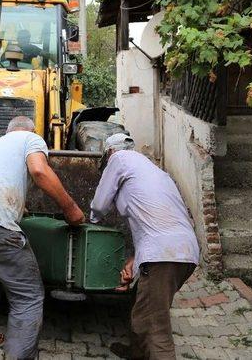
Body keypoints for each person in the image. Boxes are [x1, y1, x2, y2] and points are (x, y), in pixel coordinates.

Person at [0, 116, 85, 359]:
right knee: (28, 296)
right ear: (32, 131)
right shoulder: (31, 138)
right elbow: (38, 170)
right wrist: (71, 208)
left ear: (7, 130)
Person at [90, 133, 200, 360]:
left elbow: (100, 205)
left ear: (110, 152)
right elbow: (153, 222)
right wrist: (134, 260)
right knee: (143, 313)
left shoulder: (119, 158)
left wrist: (88, 219)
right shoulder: (154, 171)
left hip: (164, 253)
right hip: (183, 251)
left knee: (154, 326)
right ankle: (136, 354)